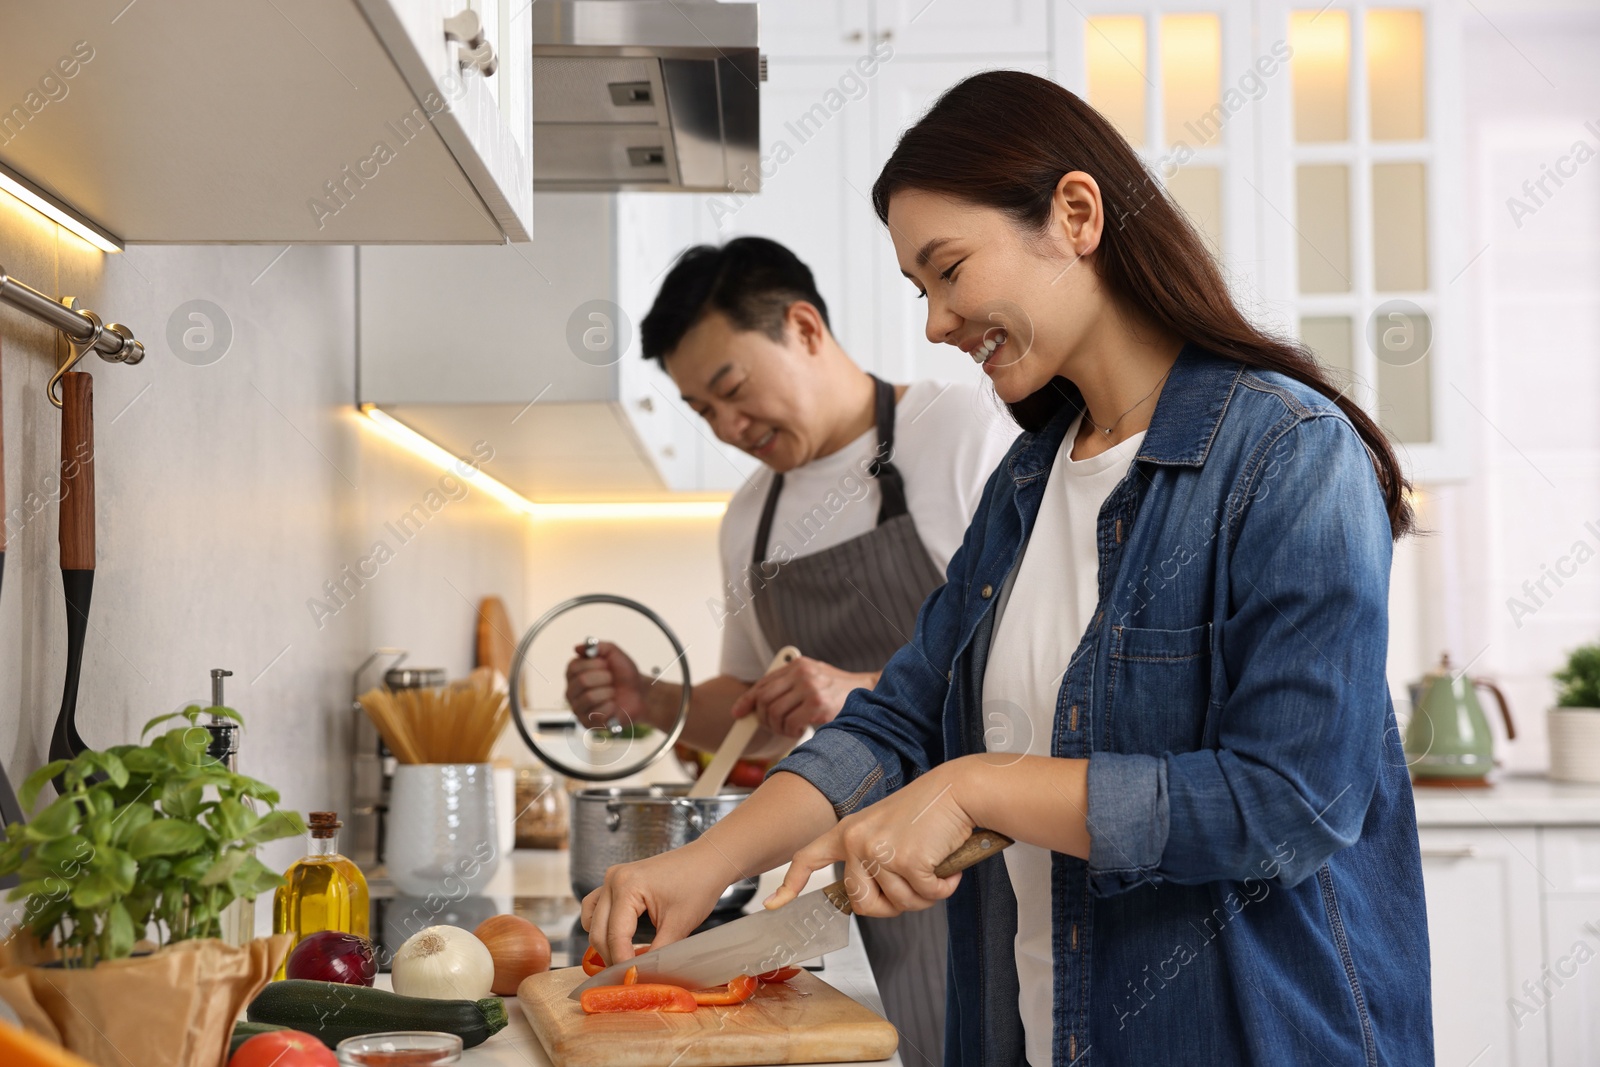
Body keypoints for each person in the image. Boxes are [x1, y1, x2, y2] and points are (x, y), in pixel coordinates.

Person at [578, 71, 1433, 1067]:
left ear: (1074, 213)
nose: (935, 321)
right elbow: (901, 716)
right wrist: (697, 865)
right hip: (1034, 1028)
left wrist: (976, 786)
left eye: (947, 270)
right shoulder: (1028, 479)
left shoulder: (1287, 454)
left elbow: (1290, 801)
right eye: (920, 288)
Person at [564, 236, 1017, 1067]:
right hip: (872, 872)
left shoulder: (955, 430)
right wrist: (652, 700)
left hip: (1005, 850)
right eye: (703, 411)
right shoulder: (750, 516)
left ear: (804, 327)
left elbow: (1027, 662)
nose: (730, 427)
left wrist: (858, 691)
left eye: (731, 389)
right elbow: (759, 723)